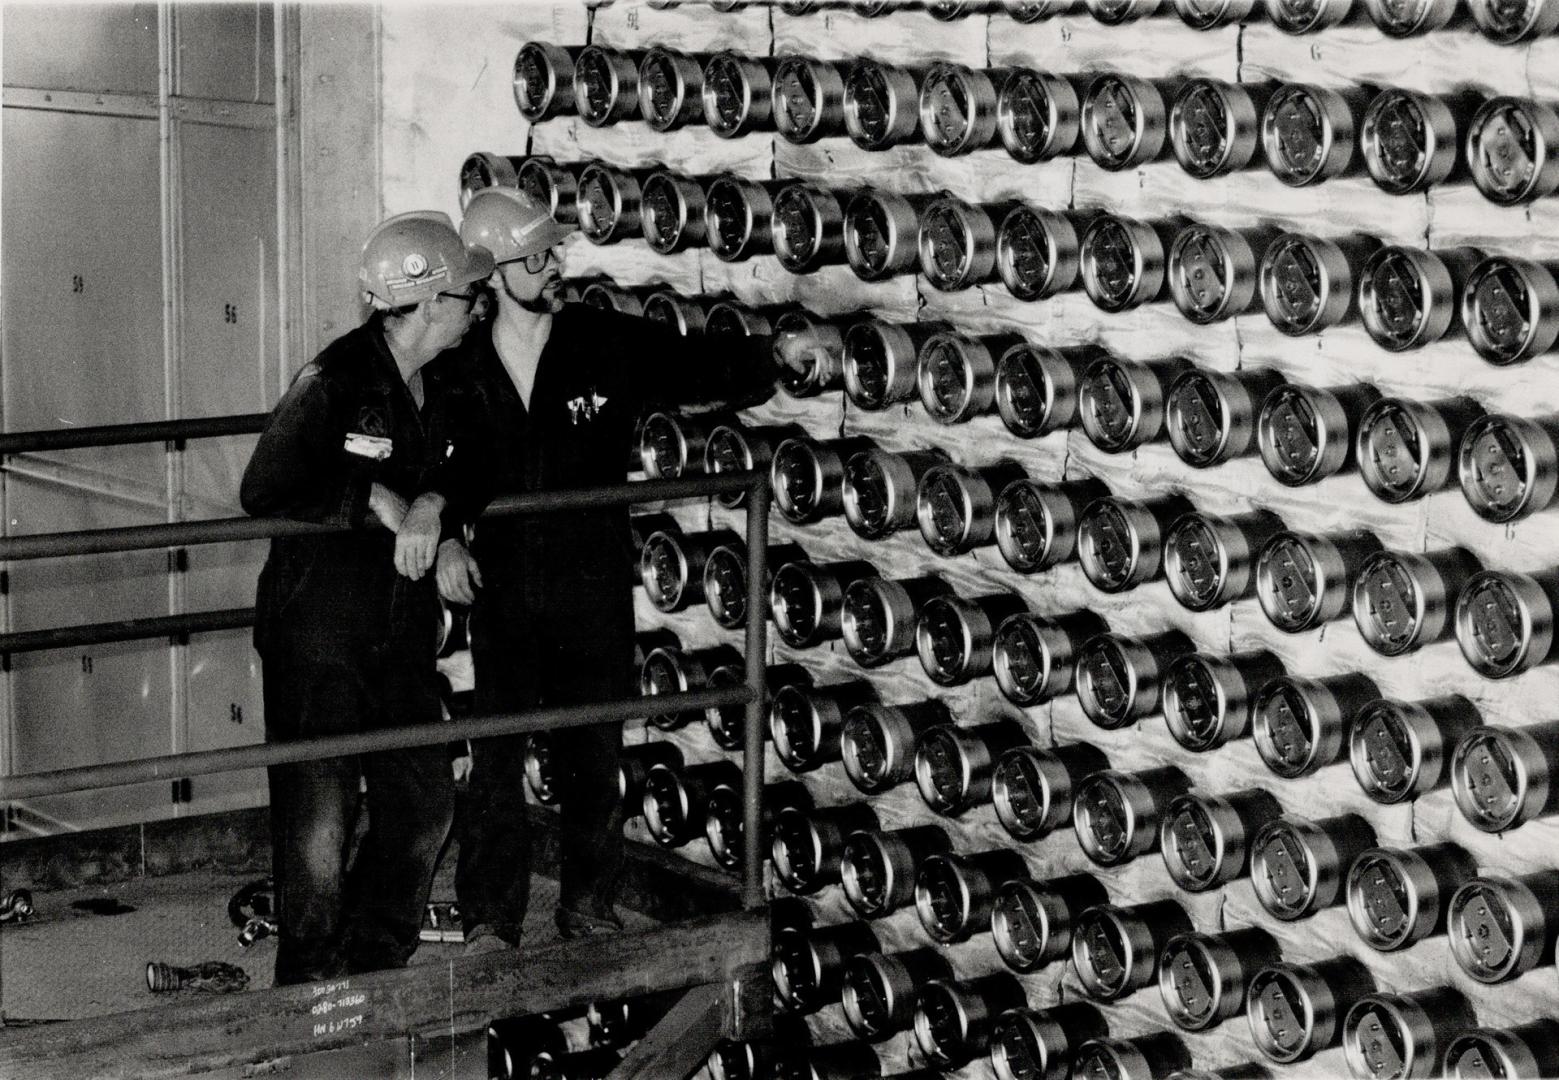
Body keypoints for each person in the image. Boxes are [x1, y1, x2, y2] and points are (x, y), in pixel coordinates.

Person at [440, 187, 818, 950]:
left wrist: (770, 357)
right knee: (496, 758)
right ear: (495, 273)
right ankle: (489, 916)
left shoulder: (596, 339)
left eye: (555, 253)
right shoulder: (457, 366)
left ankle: (587, 905)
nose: (555, 268)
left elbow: (687, 366)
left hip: (589, 583)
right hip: (503, 588)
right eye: (536, 258)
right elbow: (437, 466)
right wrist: (447, 536)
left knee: (594, 754)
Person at [239, 211, 494, 985]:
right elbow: (263, 489)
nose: (478, 305)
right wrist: (374, 497)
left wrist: (438, 511)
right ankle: (309, 985)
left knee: (422, 801)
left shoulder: (449, 378)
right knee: (318, 821)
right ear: (422, 304)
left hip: (399, 627)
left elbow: (478, 462)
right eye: (465, 294)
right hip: (316, 628)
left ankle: (374, 960)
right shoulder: (333, 381)